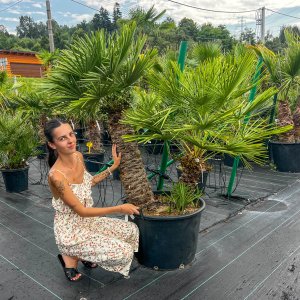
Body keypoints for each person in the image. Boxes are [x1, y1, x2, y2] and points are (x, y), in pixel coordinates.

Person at [44, 118, 140, 282]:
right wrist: (120, 208)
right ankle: (70, 256)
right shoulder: (57, 176)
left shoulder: (78, 156)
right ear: (52, 144)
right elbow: (81, 210)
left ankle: (83, 253)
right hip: (71, 232)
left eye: (71, 134)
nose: (70, 140)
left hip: (88, 222)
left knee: (131, 231)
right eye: (62, 138)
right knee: (123, 252)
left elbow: (90, 181)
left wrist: (113, 167)